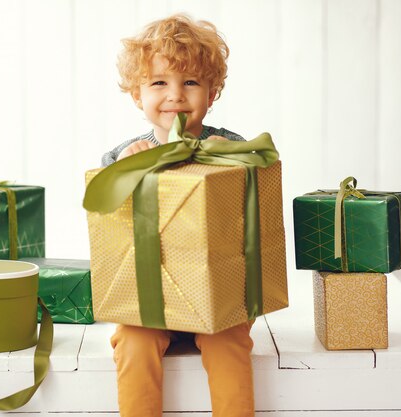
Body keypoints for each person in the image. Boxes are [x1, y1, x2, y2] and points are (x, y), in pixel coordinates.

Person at [101, 14, 255, 417]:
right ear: (137, 94)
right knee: (133, 342)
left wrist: (232, 161)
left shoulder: (228, 145)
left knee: (229, 343)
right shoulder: (126, 152)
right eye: (159, 82)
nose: (175, 95)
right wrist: (121, 168)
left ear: (212, 91)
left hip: (217, 300)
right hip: (151, 301)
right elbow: (106, 217)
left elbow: (253, 208)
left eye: (190, 82)